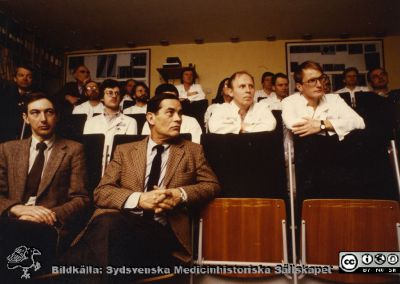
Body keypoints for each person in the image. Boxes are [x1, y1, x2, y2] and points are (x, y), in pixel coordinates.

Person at [66, 93, 220, 281]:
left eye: (180, 113)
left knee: (103, 232)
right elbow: (101, 192)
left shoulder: (192, 151)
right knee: (110, 235)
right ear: (150, 118)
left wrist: (179, 194)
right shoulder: (125, 151)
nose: (178, 119)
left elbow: (211, 185)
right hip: (122, 227)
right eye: (170, 113)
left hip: (162, 233)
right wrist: (139, 199)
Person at [0, 92, 89, 276]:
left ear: (56, 116)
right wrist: (16, 209)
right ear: (25, 118)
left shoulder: (73, 149)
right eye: (35, 113)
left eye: (49, 112)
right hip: (10, 221)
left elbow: (80, 199)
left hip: (48, 225)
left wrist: (45, 215)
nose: (43, 119)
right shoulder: (7, 149)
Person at [282, 61, 365, 141]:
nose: (319, 84)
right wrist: (335, 125)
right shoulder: (289, 102)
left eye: (321, 78)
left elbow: (359, 122)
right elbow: (293, 125)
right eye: (312, 80)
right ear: (299, 87)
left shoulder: (334, 99)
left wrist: (322, 125)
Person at [83, 79, 137, 174]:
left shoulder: (131, 122)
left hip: (120, 170)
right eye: (110, 93)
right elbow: (87, 151)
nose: (114, 96)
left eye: (117, 93)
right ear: (102, 98)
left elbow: (130, 153)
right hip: (94, 169)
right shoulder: (90, 122)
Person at [208, 71, 276, 134]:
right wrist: (241, 127)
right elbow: (214, 127)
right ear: (231, 92)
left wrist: (240, 127)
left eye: (251, 86)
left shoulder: (262, 107)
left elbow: (271, 125)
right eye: (242, 86)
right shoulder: (221, 109)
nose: (248, 90)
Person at [1, 65, 36, 142]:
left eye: (29, 76)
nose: (25, 79)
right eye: (21, 75)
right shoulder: (4, 94)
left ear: (32, 80)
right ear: (15, 78)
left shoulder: (36, 96)